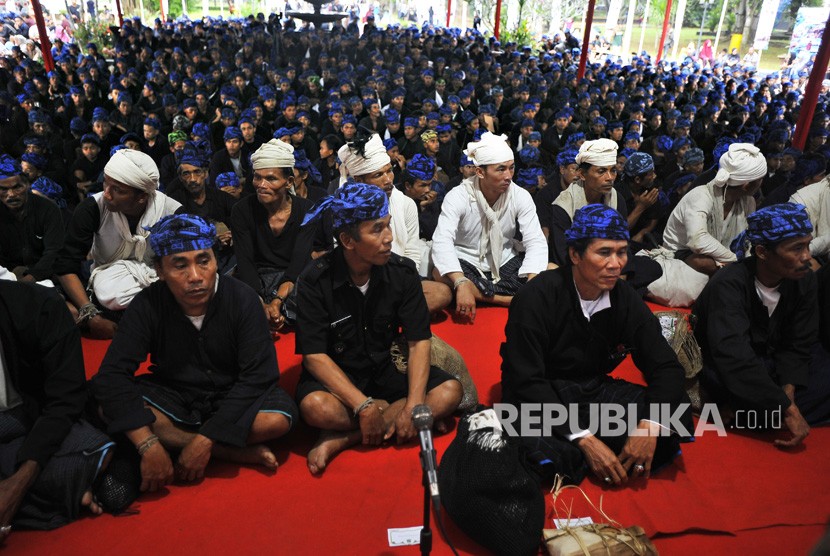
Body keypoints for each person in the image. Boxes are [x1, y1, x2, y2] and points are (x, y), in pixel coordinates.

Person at [91, 214, 297, 492]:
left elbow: (259, 376)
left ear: (215, 260)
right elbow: (113, 374)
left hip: (233, 391)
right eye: (180, 266)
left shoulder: (242, 298)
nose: (196, 277)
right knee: (105, 403)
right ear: (159, 271)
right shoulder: (147, 305)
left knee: (276, 420)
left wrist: (205, 440)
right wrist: (148, 445)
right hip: (174, 391)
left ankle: (189, 442)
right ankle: (230, 451)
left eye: (204, 261)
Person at [500, 204, 692, 486]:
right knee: (526, 439)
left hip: (593, 390)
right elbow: (525, 379)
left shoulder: (624, 298)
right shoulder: (535, 298)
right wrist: (584, 439)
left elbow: (664, 365)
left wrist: (649, 425)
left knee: (673, 409)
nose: (616, 264)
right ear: (575, 255)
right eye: (604, 252)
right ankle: (585, 449)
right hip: (542, 394)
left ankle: (601, 449)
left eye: (622, 252)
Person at [295, 182, 463, 475]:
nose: (389, 238)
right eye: (377, 230)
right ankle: (387, 418)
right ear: (348, 240)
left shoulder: (402, 272)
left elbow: (418, 342)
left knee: (450, 391)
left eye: (388, 226)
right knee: (315, 408)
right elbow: (314, 356)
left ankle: (347, 438)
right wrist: (363, 405)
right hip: (340, 374)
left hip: (385, 367)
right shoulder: (314, 280)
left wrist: (412, 405)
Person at [694, 203, 830, 447]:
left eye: (808, 245)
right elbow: (732, 354)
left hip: (774, 360)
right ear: (762, 252)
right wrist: (787, 409)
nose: (807, 256)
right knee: (721, 377)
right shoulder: (727, 285)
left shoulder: (804, 279)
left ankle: (747, 413)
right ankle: (761, 412)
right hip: (732, 364)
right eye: (797, 248)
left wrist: (787, 394)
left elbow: (798, 342)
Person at [0, 281, 113, 534]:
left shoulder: (39, 306)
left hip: (30, 418)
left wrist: (18, 484)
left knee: (94, 448)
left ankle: (48, 488)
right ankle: (66, 489)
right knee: (84, 467)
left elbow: (65, 400)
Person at [55, 149, 182, 339]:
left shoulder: (172, 212)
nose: (107, 194)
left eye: (118, 190)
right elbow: (66, 266)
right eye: (106, 182)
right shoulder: (92, 208)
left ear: (142, 197)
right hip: (108, 288)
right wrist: (91, 316)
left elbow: (181, 265)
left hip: (157, 284)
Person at [432, 132, 547, 319]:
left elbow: (535, 240)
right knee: (440, 272)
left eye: (511, 168)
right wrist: (460, 281)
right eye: (501, 169)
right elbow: (443, 240)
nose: (509, 176)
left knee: (547, 271)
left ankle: (481, 294)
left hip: (504, 260)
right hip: (467, 261)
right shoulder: (458, 196)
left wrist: (532, 285)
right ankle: (508, 298)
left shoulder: (520, 195)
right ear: (480, 172)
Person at [338, 132, 451, 313]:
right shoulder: (344, 209)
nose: (388, 180)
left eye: (389, 170)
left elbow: (412, 251)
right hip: (358, 280)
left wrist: (402, 281)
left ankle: (382, 314)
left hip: (396, 276)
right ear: (359, 180)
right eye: (378, 175)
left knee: (442, 293)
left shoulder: (405, 204)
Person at [231, 138, 322, 331]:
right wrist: (261, 303)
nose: (261, 185)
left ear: (288, 181)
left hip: (293, 279)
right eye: (257, 177)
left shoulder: (307, 209)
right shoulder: (242, 210)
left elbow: (298, 263)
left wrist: (276, 302)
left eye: (271, 178)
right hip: (256, 278)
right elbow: (246, 262)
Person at [0, 155, 64, 285]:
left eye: (17, 187)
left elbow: (54, 252)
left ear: (27, 185)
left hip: (45, 276)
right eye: (3, 189)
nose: (11, 194)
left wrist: (30, 279)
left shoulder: (48, 209)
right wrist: (12, 271)